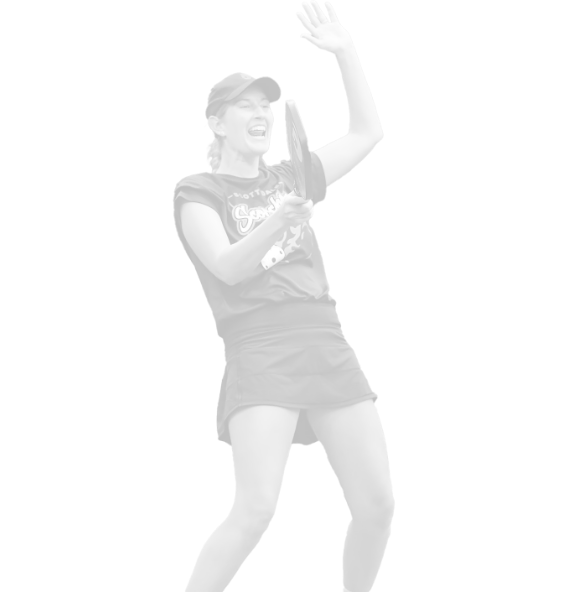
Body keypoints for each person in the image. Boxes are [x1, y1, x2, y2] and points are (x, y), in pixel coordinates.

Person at [174, 3, 394, 591]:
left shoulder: (291, 177)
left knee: (378, 505)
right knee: (255, 512)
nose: (261, 113)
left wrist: (345, 52)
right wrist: (279, 221)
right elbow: (226, 266)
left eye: (266, 105)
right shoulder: (198, 192)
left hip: (327, 339)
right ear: (217, 124)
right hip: (261, 346)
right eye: (245, 105)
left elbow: (368, 133)